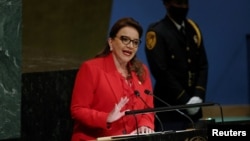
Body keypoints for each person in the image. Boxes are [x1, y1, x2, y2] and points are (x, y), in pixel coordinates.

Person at [70, 17, 155, 141]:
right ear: (111, 42)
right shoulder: (91, 68)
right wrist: (106, 118)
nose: (130, 46)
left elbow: (148, 109)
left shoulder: (142, 71)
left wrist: (145, 124)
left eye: (135, 42)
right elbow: (77, 110)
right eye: (125, 39)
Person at [145, 0, 208, 131]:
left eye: (185, 3)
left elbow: (203, 64)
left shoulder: (193, 28)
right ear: (167, 4)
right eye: (179, 3)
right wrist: (185, 100)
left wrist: (198, 95)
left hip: (195, 105)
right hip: (170, 108)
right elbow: (161, 71)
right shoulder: (157, 31)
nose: (183, 7)